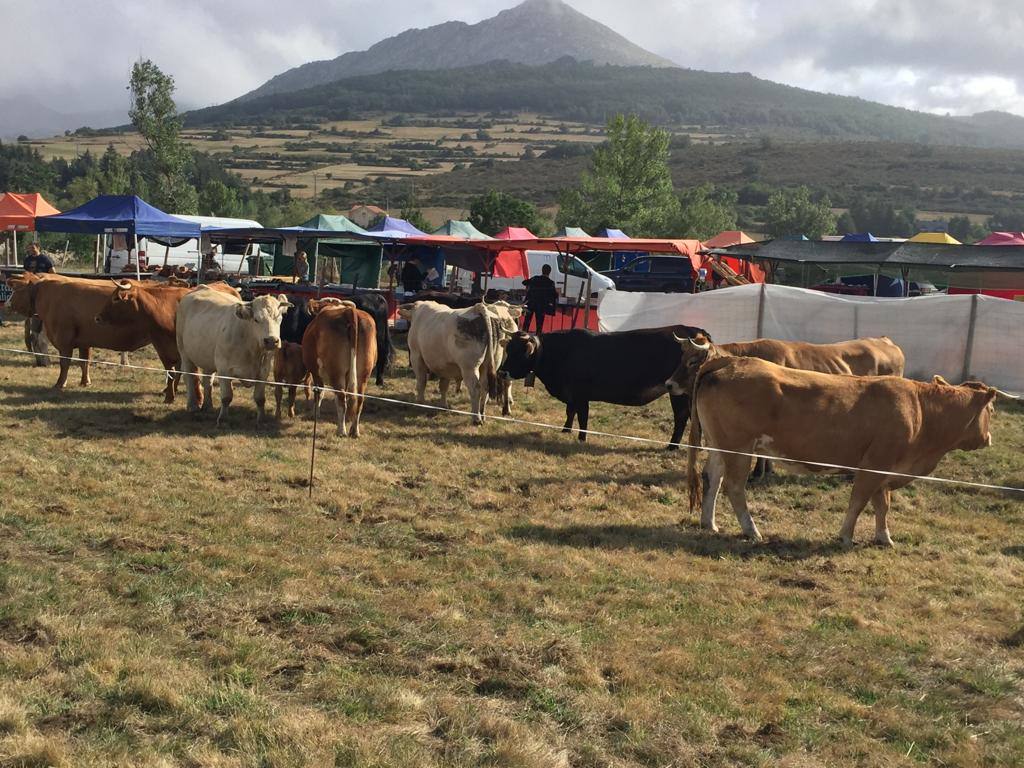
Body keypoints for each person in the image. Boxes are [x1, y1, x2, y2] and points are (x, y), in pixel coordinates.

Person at [522, 264, 558, 334]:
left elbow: (524, 282)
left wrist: (530, 284)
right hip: (541, 306)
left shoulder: (535, 278)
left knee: (526, 322)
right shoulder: (550, 282)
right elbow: (555, 295)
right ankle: (538, 338)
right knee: (539, 325)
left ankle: (522, 337)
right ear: (549, 272)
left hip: (531, 304)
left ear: (542, 270)